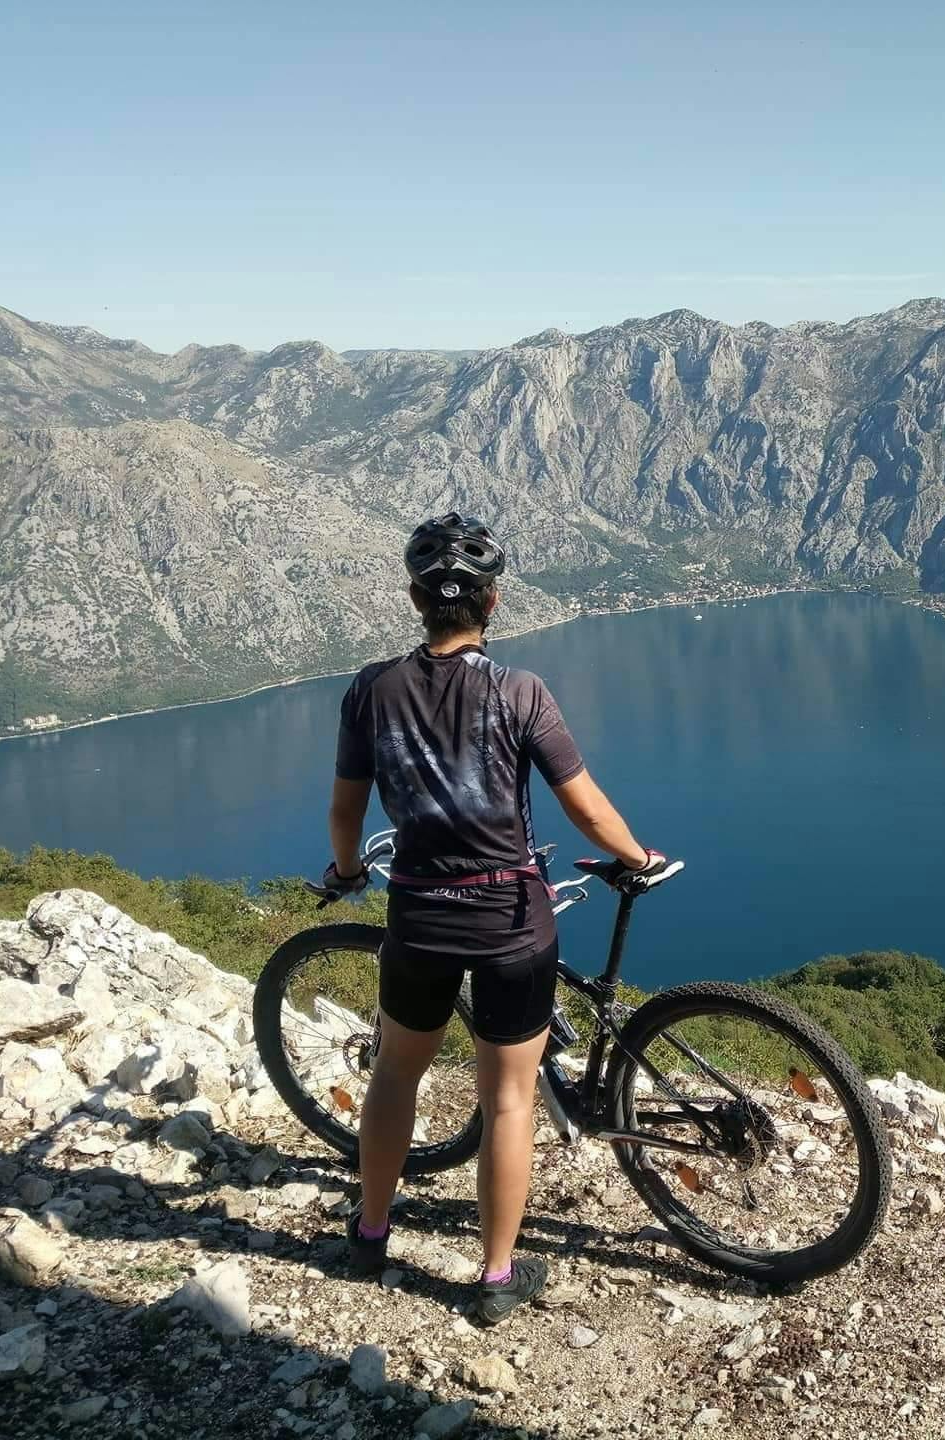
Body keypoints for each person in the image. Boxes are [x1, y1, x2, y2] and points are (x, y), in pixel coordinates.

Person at [321, 512, 667, 1324]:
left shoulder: (370, 690)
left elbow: (345, 811)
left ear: (416, 598)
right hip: (512, 922)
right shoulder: (520, 692)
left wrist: (345, 873)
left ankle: (371, 1235)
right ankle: (495, 1278)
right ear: (494, 602)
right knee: (509, 1101)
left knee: (396, 1071)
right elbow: (585, 809)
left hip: (418, 921)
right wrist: (640, 858)